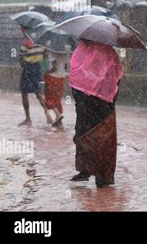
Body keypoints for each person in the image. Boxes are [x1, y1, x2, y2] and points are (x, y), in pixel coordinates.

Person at [69, 39, 124, 188]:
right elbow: (75, 76)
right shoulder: (82, 50)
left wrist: (106, 98)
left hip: (100, 103)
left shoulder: (106, 52)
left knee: (100, 137)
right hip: (89, 102)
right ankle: (86, 170)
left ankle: (102, 175)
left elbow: (114, 76)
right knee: (84, 135)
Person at [18, 26, 52, 126]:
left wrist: (24, 64)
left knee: (24, 93)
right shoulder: (41, 41)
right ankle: (47, 114)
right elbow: (45, 55)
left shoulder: (26, 42)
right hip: (37, 69)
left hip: (28, 69)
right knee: (38, 94)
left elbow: (21, 56)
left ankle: (28, 118)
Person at [44, 51, 68, 129]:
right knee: (57, 100)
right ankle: (59, 123)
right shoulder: (65, 52)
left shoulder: (52, 52)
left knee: (49, 98)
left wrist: (46, 73)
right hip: (61, 78)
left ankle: (58, 115)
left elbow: (54, 68)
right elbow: (65, 67)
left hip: (52, 78)